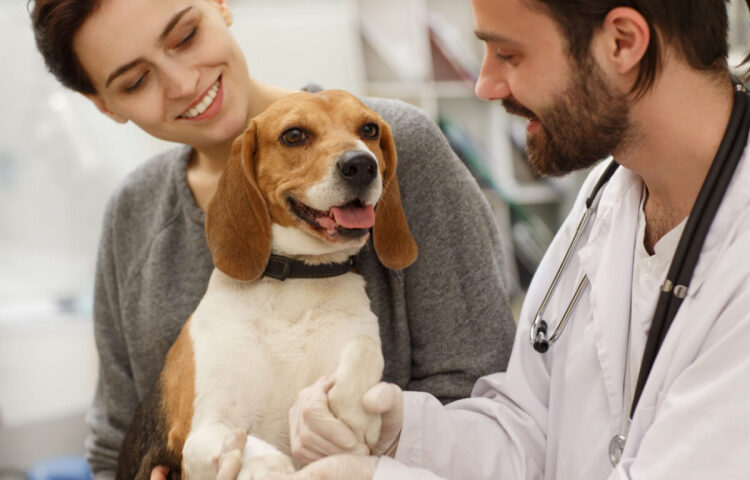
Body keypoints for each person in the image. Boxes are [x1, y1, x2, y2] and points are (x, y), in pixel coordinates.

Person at [29, 0, 518, 478]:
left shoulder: (400, 145)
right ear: (103, 104)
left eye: (185, 36)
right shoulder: (131, 214)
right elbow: (114, 445)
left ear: (219, 4)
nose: (183, 83)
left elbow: (485, 400)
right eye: (135, 81)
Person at [287, 0, 750, 478]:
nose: (486, 86)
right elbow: (529, 430)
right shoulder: (608, 194)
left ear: (622, 42)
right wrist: (402, 433)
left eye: (508, 54)